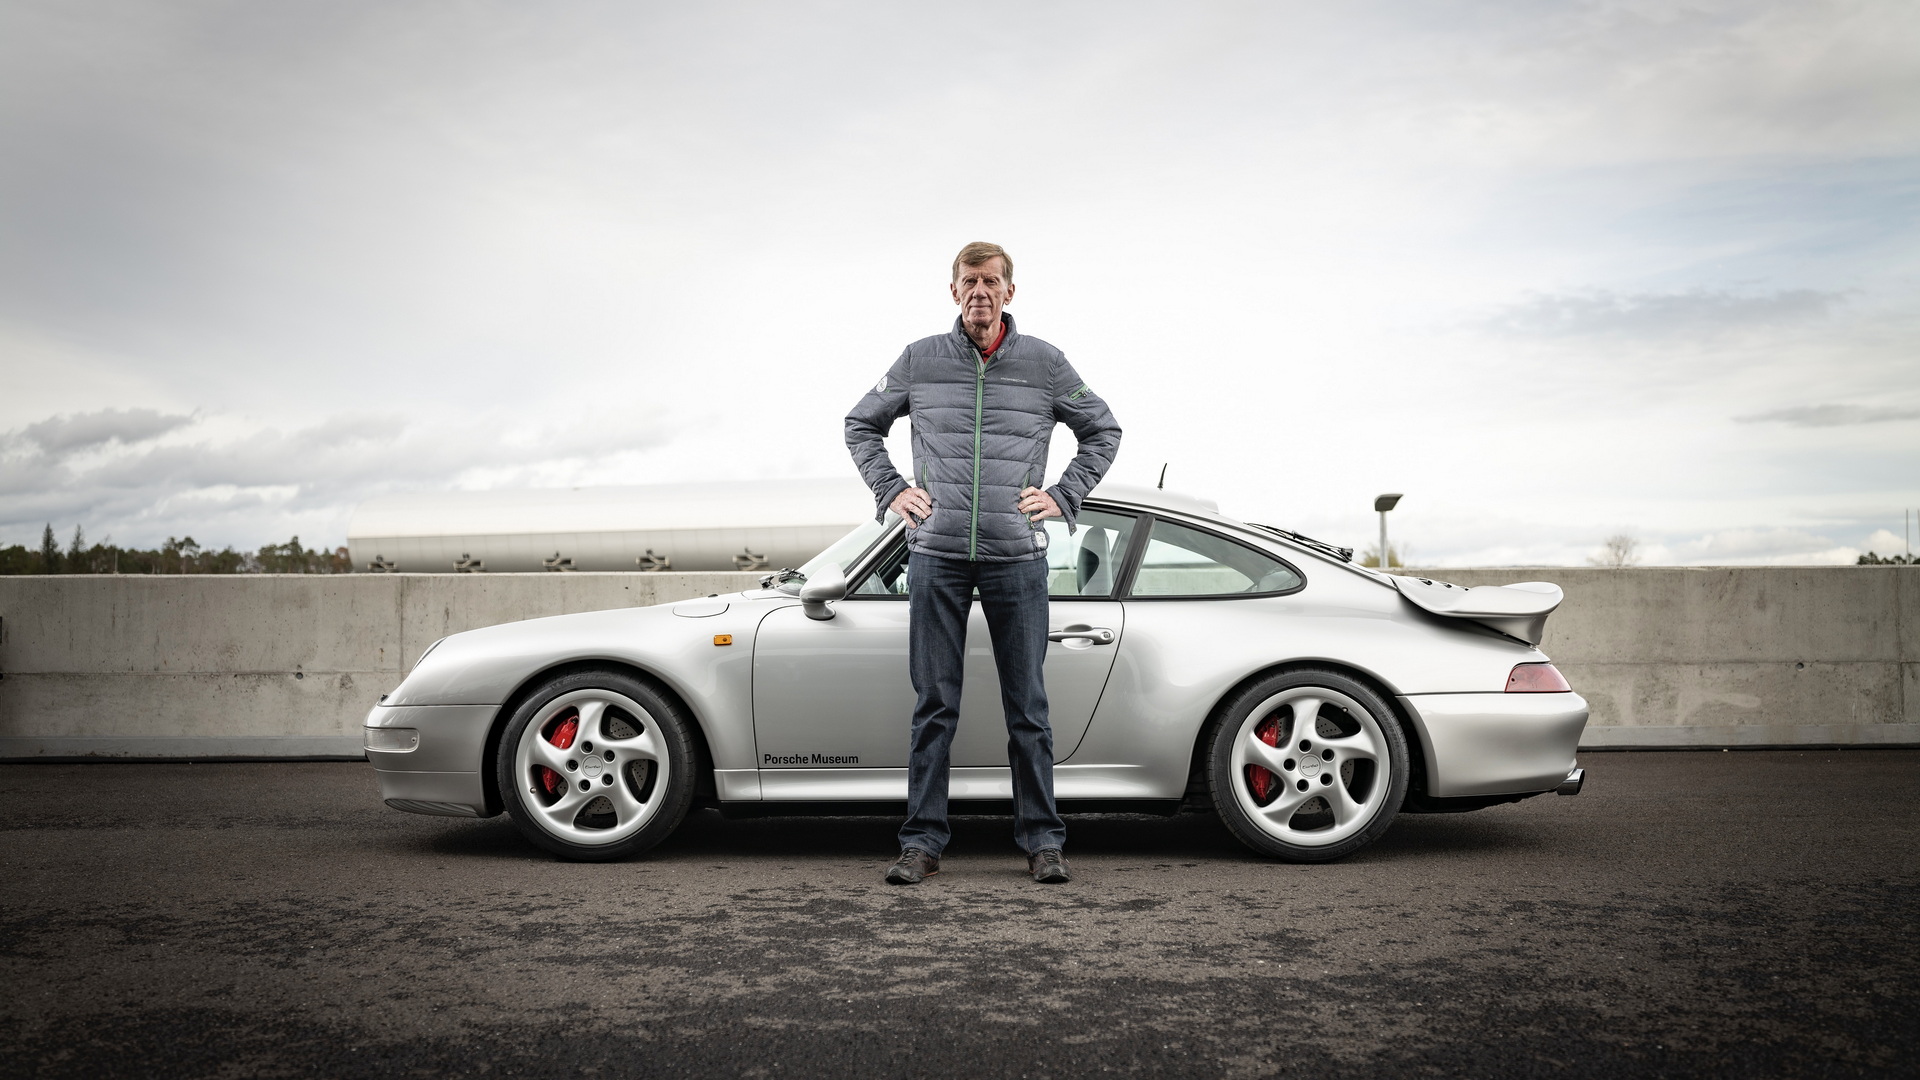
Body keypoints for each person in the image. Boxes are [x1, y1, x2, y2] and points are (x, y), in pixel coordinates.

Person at [844, 242, 1122, 885]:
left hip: (1016, 559)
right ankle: (921, 843)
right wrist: (892, 491)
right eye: (969, 281)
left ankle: (1043, 841)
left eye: (991, 281)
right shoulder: (919, 360)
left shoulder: (1045, 364)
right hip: (936, 555)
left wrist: (1061, 495)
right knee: (934, 705)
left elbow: (1103, 430)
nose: (980, 291)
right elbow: (862, 425)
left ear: (1009, 291)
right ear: (953, 290)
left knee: (1027, 706)